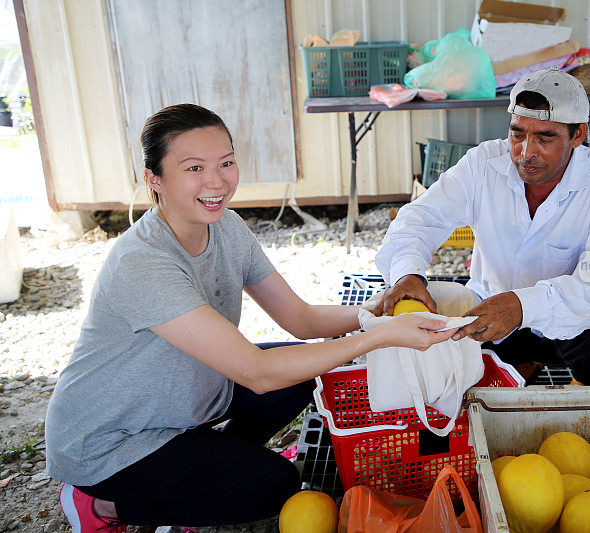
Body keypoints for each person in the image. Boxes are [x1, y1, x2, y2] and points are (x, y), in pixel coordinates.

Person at [45, 104, 455, 532]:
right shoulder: (142, 263)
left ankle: (197, 472)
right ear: (154, 178)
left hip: (184, 397)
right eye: (194, 168)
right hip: (111, 438)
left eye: (226, 163)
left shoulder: (226, 228)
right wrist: (378, 338)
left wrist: (374, 311)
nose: (217, 181)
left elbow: (300, 317)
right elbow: (257, 373)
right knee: (272, 486)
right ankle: (103, 505)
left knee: (309, 373)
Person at [375, 68, 590, 385]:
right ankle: (517, 365)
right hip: (493, 314)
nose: (526, 153)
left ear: (578, 135)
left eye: (546, 137)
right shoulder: (484, 163)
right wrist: (407, 272)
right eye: (518, 133)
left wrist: (523, 306)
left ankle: (582, 392)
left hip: (570, 325)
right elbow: (420, 217)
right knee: (444, 356)